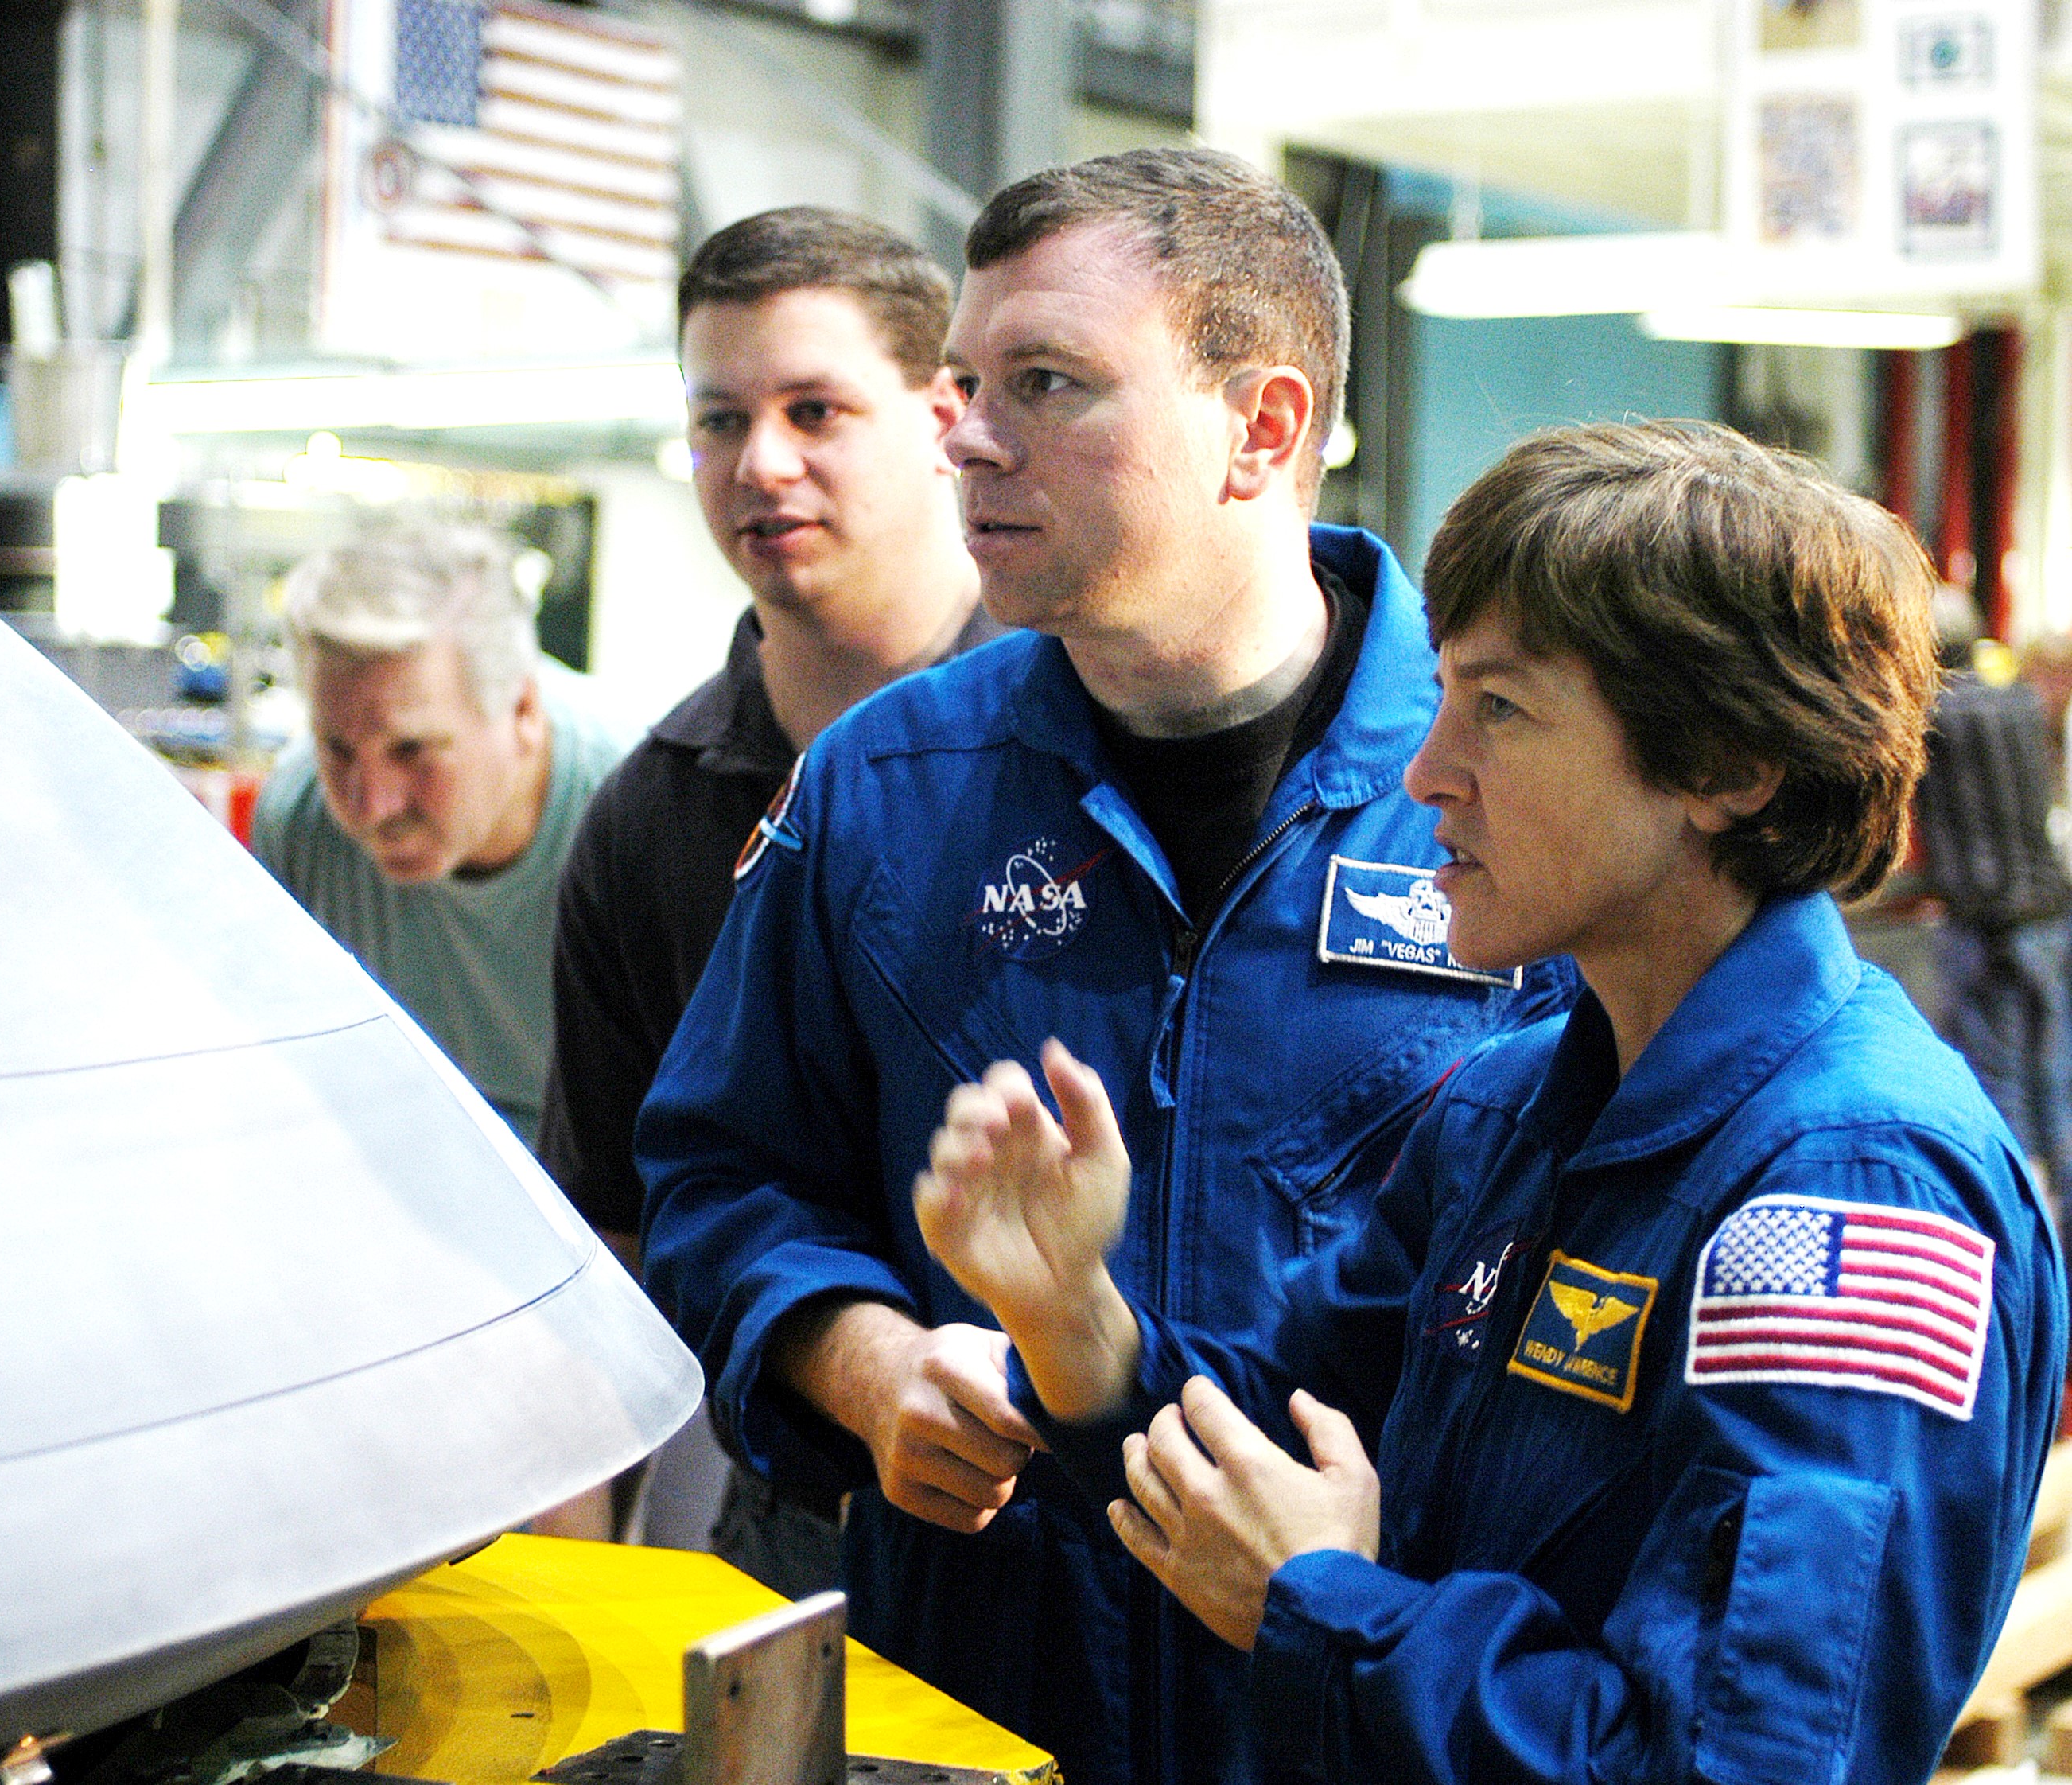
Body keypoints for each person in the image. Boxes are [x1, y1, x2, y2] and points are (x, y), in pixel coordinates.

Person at [917, 421, 2067, 1785]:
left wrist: (1334, 1606)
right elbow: (1282, 1420)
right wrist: (1073, 1319)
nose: (1426, 772)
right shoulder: (1518, 1104)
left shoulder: (1850, 1188)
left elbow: (1735, 1763)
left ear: (1730, 769)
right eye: (1445, 695)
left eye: (1502, 710)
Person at [636, 147, 1573, 1785]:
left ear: (1261, 430)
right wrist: (864, 1364)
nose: (969, 437)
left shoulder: (1519, 789)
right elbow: (723, 1179)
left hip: (1353, 1714)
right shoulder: (883, 792)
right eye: (967, 385)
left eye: (1048, 385)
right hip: (981, 1709)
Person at [537, 207, 996, 1585]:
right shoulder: (653, 815)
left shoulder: (1078, 753)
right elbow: (612, 1231)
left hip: (1074, 1497)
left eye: (815, 409)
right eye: (720, 419)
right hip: (793, 1512)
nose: (762, 463)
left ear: (940, 416)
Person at [253, 523, 632, 1151]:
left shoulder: (640, 820)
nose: (371, 805)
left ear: (522, 713)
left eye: (412, 750)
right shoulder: (299, 818)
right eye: (337, 748)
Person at [1916, 612, 2072, 1203]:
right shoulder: (2024, 704)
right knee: (2056, 1085)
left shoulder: (1936, 718)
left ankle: (2011, 1231)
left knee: (1996, 1087)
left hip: (1987, 926)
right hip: (2052, 911)